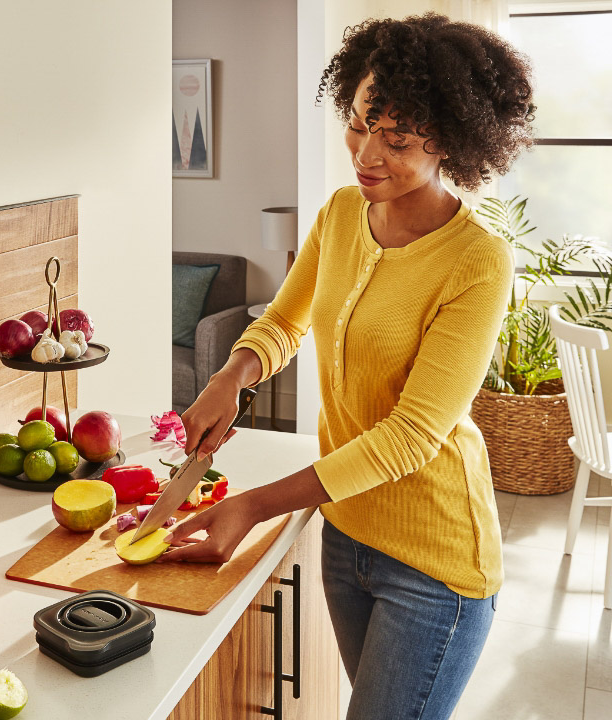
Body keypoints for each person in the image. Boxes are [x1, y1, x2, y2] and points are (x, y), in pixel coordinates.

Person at [160, 13, 535, 720]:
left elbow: (411, 437)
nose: (366, 152)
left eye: (396, 140)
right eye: (360, 124)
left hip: (435, 564)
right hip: (346, 540)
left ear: (451, 140)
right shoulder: (338, 214)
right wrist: (229, 376)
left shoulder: (477, 261)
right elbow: (285, 319)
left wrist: (256, 505)